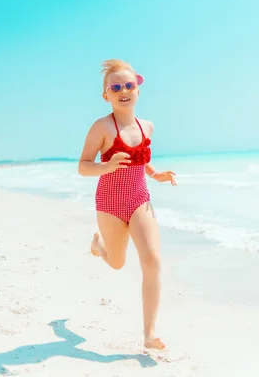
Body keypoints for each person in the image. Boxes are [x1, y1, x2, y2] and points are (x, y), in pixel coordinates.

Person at [77, 59, 177, 351]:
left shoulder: (147, 126)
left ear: (138, 90)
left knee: (152, 261)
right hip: (109, 203)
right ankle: (99, 246)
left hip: (139, 201)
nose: (124, 90)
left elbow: (140, 160)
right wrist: (106, 168)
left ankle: (148, 334)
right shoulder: (101, 127)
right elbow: (83, 166)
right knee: (118, 263)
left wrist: (156, 173)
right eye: (116, 86)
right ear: (106, 94)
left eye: (129, 85)